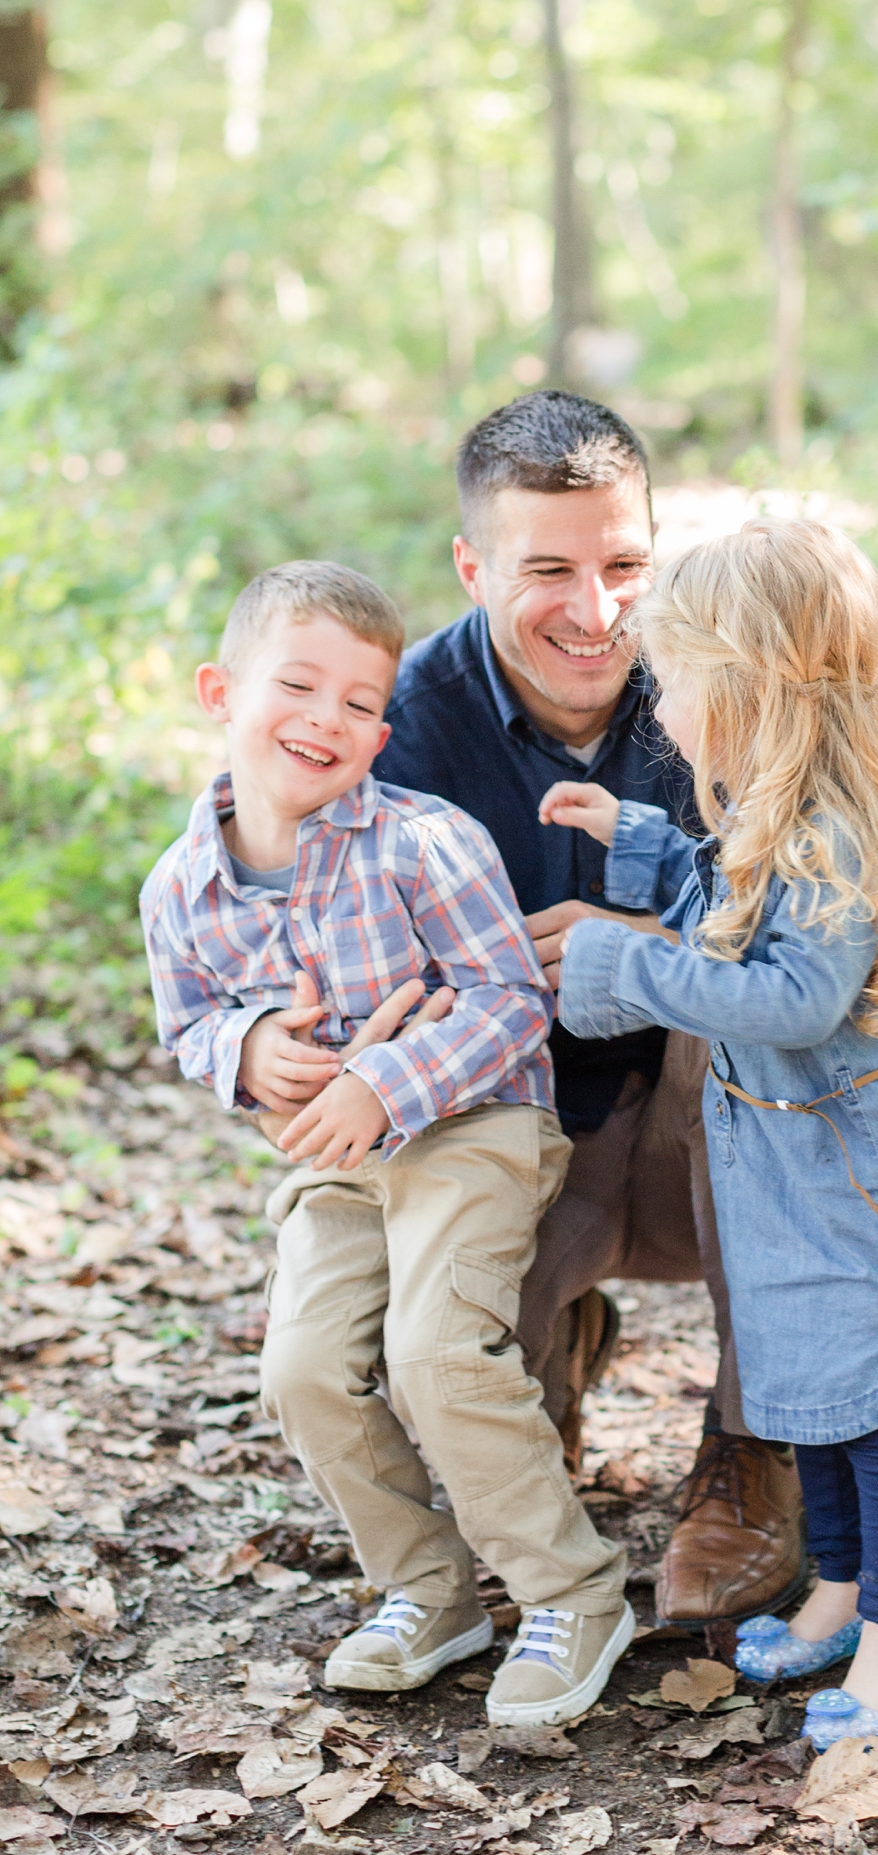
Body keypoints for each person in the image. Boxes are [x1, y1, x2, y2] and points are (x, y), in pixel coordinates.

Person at [545, 519, 878, 1747]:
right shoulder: (778, 814)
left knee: (871, 1411)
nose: (664, 710)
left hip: (862, 1181)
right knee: (802, 1388)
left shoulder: (828, 835)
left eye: (682, 683)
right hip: (797, 1177)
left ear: (755, 687)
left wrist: (629, 965)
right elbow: (725, 885)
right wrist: (641, 847)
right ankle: (845, 1585)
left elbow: (795, 998)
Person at [139, 561, 636, 1724]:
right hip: (340, 1166)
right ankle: (429, 1588)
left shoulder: (424, 842)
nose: (327, 719)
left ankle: (573, 1590)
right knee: (304, 1371)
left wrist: (382, 1078)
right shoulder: (182, 889)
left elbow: (510, 998)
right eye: (298, 685)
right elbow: (189, 1023)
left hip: (476, 1126)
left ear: (383, 730)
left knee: (433, 1353)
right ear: (221, 690)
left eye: (360, 702)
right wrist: (248, 1046)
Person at [374, 391, 804, 1627]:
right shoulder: (400, 722)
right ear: (472, 566)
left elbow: (817, 934)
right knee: (409, 1389)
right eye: (547, 569)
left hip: (706, 1134)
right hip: (503, 1131)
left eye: (624, 564)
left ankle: (748, 1446)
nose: (597, 609)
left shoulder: (726, 691)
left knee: (733, 1014)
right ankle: (543, 1351)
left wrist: (657, 947)